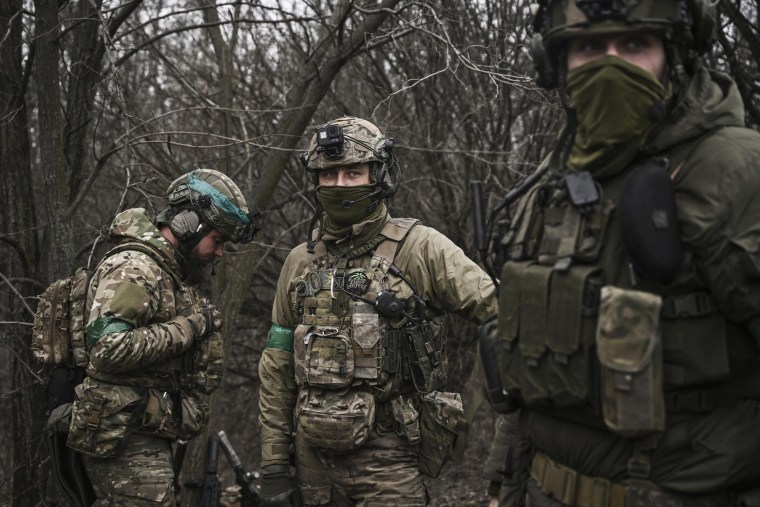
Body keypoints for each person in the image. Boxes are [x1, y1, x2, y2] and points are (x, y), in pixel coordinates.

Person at [489, 0, 760, 506]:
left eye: (635, 45)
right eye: (591, 47)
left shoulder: (735, 175)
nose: (610, 66)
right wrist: (502, 486)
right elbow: (529, 379)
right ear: (557, 63)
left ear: (675, 54)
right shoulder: (550, 184)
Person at [258, 116, 497, 506]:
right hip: (312, 463)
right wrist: (272, 465)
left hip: (390, 461)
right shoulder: (300, 262)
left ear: (379, 175)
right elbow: (277, 367)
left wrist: (476, 413)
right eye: (328, 175)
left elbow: (499, 316)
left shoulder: (422, 248)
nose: (339, 185)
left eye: (354, 173)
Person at [65, 169, 261, 505]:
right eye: (217, 240)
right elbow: (107, 349)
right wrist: (190, 327)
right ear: (189, 225)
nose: (219, 253)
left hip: (140, 433)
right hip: (122, 438)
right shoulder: (135, 267)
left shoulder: (168, 273)